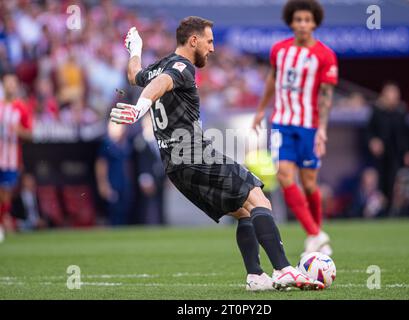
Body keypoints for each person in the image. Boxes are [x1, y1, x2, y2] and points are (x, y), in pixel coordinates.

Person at [110, 17, 324, 291]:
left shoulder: (158, 66)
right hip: (194, 154)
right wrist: (140, 107)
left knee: (244, 211)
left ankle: (256, 277)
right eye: (209, 41)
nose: (212, 48)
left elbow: (134, 75)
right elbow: (162, 83)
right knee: (259, 198)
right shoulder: (180, 66)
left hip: (175, 166)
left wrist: (135, 50)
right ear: (193, 40)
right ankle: (283, 269)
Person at [252, 0, 337, 256]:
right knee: (284, 176)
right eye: (298, 19)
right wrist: (260, 110)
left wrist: (322, 129)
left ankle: (315, 233)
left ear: (314, 23)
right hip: (282, 123)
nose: (302, 24)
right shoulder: (279, 50)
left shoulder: (325, 55)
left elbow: (326, 95)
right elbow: (272, 80)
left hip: (309, 126)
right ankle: (315, 233)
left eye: (307, 20)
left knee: (309, 183)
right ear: (291, 22)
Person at [367, 81, 409, 216]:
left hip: (397, 153)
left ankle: (397, 211)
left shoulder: (401, 112)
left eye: (395, 92)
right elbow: (369, 132)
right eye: (390, 92)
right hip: (380, 155)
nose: (392, 95)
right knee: (381, 182)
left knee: (396, 181)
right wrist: (373, 141)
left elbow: (406, 134)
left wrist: (408, 151)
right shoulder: (377, 111)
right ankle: (380, 210)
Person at [0, 71, 33, 243]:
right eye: (7, 82)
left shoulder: (21, 107)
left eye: (13, 83)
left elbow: (30, 134)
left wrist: (19, 131)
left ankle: (2, 220)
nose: (10, 86)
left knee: (5, 194)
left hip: (11, 158)